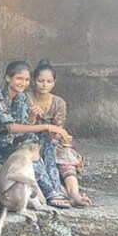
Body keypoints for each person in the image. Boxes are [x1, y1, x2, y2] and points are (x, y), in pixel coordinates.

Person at [0, 60, 72, 208]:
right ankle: (49, 192)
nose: (23, 83)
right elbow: (11, 128)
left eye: (26, 80)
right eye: (19, 78)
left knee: (44, 139)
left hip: (9, 141)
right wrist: (48, 126)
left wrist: (32, 117)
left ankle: (55, 188)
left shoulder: (21, 98)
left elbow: (24, 126)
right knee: (31, 142)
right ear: (8, 78)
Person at [29, 59, 92, 207]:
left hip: (52, 140)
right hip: (31, 139)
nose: (44, 85)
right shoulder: (26, 98)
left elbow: (58, 128)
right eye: (40, 81)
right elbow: (22, 126)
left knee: (66, 153)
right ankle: (59, 192)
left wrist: (62, 137)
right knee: (38, 156)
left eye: (49, 81)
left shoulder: (59, 103)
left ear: (54, 82)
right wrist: (32, 117)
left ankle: (74, 194)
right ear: (34, 81)